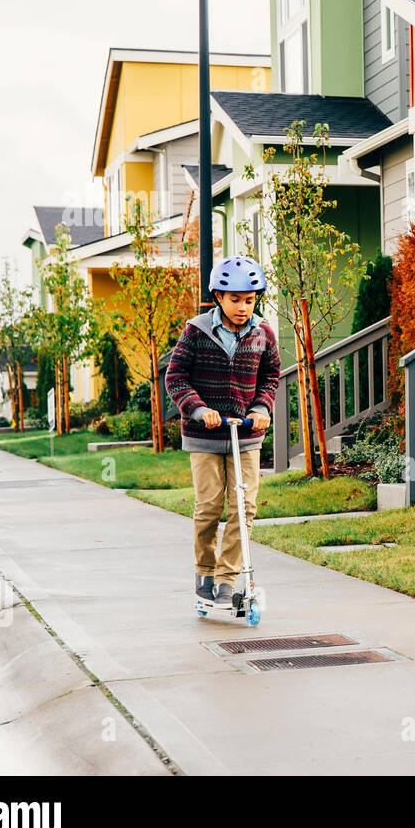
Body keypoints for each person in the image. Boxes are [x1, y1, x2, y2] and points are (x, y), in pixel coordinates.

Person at [165, 256, 280, 608]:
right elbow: (176, 377)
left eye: (250, 299)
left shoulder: (263, 334)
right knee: (210, 506)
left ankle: (227, 577)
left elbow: (271, 377)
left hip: (245, 436)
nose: (243, 307)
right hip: (205, 437)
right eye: (235, 299)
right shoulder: (196, 331)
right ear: (218, 295)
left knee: (244, 507)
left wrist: (261, 408)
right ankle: (204, 569)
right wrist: (198, 409)